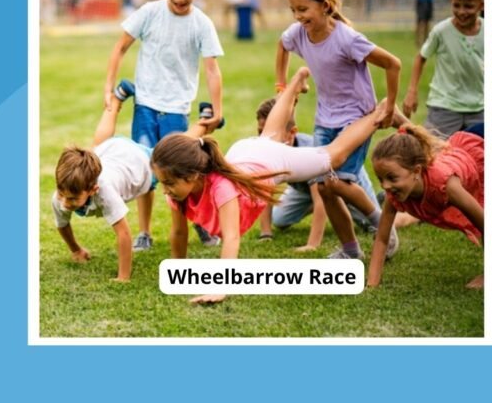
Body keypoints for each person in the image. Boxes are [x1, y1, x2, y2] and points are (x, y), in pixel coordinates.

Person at [151, 68, 385, 304]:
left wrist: (220, 288)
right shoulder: (178, 193)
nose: (165, 190)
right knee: (270, 134)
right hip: (246, 153)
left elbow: (232, 238)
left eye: (169, 183)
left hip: (268, 161)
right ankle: (296, 82)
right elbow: (179, 233)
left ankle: (379, 113)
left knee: (334, 157)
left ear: (192, 175)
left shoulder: (221, 188)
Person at [103, 0, 224, 251]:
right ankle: (144, 232)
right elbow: (119, 48)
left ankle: (198, 223)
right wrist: (109, 88)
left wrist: (217, 110)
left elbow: (212, 70)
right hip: (145, 106)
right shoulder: (149, 13)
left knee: (183, 171)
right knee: (145, 168)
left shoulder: (202, 24)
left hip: (176, 110)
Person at [277, 0, 401, 259]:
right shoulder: (299, 33)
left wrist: (391, 106)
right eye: (293, 10)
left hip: (357, 118)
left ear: (326, 5)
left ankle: (384, 228)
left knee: (339, 182)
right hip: (325, 120)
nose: (298, 16)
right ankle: (350, 251)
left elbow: (393, 64)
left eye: (303, 9)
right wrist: (281, 84)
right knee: (323, 186)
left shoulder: (347, 39)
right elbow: (281, 46)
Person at [367, 121, 484, 289]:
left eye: (391, 178)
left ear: (416, 171)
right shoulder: (393, 195)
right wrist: (372, 284)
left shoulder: (446, 185)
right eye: (380, 179)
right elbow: (382, 239)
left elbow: (485, 224)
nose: (385, 186)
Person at [252, 96, 382, 243]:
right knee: (280, 219)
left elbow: (320, 197)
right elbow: (265, 190)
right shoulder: (266, 152)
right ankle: (321, 204)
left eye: (272, 134)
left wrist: (312, 244)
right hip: (306, 190)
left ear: (292, 133)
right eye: (261, 132)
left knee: (375, 224)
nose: (265, 139)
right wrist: (266, 234)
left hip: (343, 183)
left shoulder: (309, 151)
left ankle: (406, 215)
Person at [51, 87, 146, 282]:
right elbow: (62, 223)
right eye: (62, 195)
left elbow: (124, 233)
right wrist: (76, 250)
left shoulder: (105, 190)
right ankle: (117, 98)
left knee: (172, 154)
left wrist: (123, 277)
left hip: (138, 161)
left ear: (93, 190)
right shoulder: (61, 194)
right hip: (110, 151)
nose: (65, 202)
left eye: (72, 199)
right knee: (97, 146)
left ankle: (204, 124)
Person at [403, 0, 484, 137]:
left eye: (468, 6)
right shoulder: (441, 31)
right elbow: (421, 57)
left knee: (479, 156)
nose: (461, 11)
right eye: (456, 5)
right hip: (444, 106)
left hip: (479, 108)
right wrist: (412, 92)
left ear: (482, 5)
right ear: (451, 1)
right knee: (434, 153)